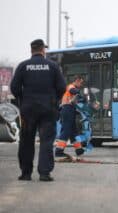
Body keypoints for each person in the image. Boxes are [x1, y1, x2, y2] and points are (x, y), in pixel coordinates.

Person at [10, 39, 66, 181]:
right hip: (48, 110)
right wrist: (54, 99)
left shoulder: (23, 66)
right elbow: (62, 88)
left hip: (28, 110)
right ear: (43, 50)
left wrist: (23, 99)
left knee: (26, 141)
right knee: (46, 140)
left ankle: (26, 173)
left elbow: (14, 88)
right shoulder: (53, 66)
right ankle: (44, 173)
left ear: (31, 50)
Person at [55, 75, 85, 157]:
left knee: (73, 131)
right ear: (77, 80)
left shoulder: (72, 88)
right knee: (66, 130)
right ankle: (59, 150)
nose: (81, 85)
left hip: (70, 110)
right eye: (81, 82)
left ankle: (79, 149)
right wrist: (81, 94)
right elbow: (74, 91)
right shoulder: (71, 87)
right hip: (67, 109)